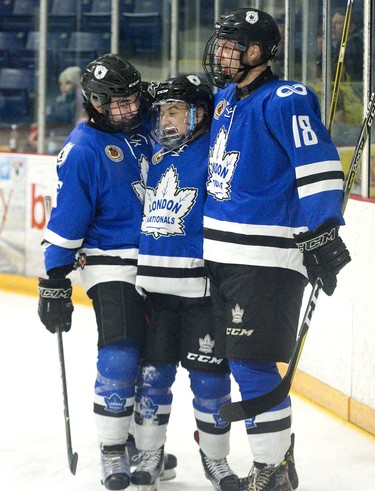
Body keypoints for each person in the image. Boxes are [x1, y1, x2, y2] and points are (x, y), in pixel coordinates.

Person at [202, 8, 351, 491]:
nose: (221, 53)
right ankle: (279, 465)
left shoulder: (286, 98)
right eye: (221, 43)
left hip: (266, 256)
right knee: (232, 361)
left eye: (233, 46)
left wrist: (322, 229)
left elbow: (319, 166)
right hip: (220, 256)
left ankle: (271, 473)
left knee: (251, 364)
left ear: (260, 52)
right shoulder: (225, 98)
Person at [37, 53, 176, 490]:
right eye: (118, 103)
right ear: (94, 102)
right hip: (108, 262)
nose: (130, 109)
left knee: (155, 361)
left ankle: (141, 443)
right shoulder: (82, 149)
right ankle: (112, 447)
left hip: (158, 259)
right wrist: (54, 278)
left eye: (134, 99)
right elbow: (69, 217)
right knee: (121, 353)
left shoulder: (141, 129)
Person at [132, 75, 239, 491]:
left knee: (210, 381)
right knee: (153, 378)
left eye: (175, 110)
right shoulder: (157, 156)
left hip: (201, 292)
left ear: (198, 113)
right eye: (162, 111)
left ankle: (217, 461)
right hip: (155, 292)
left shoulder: (212, 157)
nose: (166, 119)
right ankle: (149, 451)